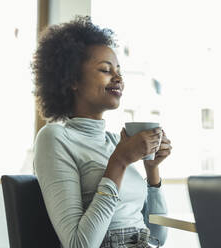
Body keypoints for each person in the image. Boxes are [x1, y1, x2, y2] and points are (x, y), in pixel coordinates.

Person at [32, 16, 172, 248]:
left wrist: (152, 169)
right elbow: (79, 245)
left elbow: (158, 236)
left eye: (119, 71)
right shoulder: (55, 138)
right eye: (106, 70)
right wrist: (119, 162)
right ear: (73, 80)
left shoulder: (114, 142)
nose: (118, 78)